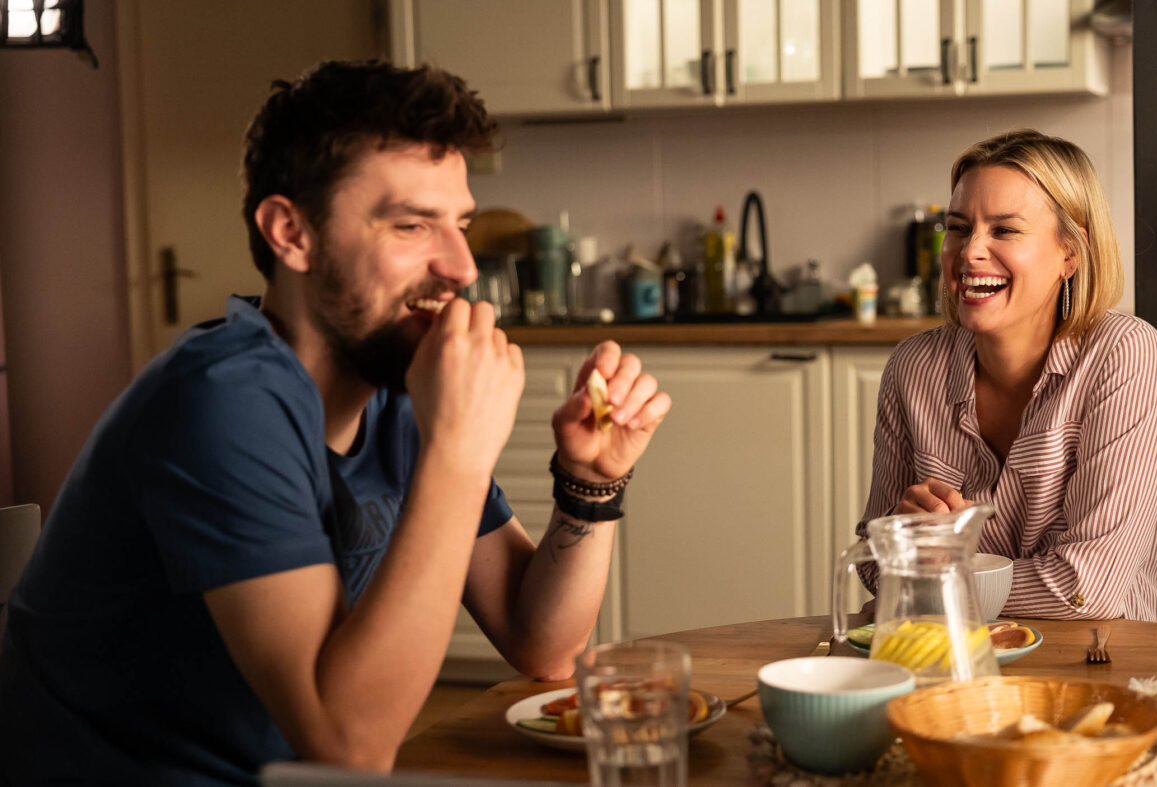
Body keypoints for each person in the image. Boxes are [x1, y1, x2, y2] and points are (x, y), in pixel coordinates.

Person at [0, 60, 670, 784]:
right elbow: (349, 747)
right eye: (413, 225)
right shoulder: (223, 402)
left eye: (461, 223)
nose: (463, 267)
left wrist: (589, 482)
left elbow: (539, 640)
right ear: (291, 233)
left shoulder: (399, 388)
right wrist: (459, 451)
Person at [856, 129, 1157, 623]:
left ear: (1070, 253)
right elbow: (875, 568)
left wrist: (929, 579)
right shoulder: (912, 367)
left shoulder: (1126, 355)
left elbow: (1085, 590)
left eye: (1004, 230)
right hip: (956, 667)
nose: (969, 252)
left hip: (1103, 662)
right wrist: (901, 541)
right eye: (959, 228)